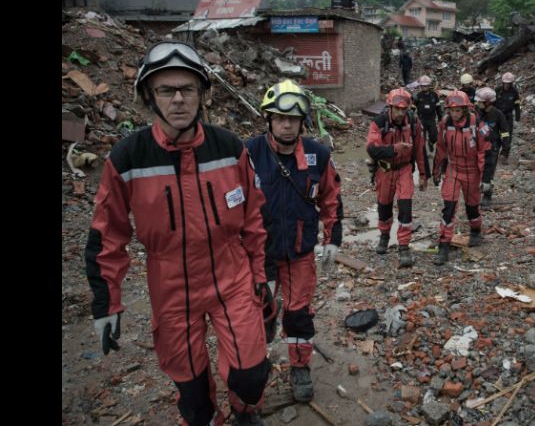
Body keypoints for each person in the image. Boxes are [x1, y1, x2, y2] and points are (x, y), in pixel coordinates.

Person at [85, 41, 272, 426]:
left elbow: (255, 218)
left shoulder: (229, 148)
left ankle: (244, 408)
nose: (178, 99)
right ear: (149, 97)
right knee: (191, 389)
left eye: (187, 89)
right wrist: (106, 303)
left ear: (202, 94)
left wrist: (261, 274)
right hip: (170, 284)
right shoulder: (127, 158)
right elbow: (107, 235)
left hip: (232, 274)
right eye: (166, 90)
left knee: (252, 372)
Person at [244, 80, 343, 403]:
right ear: (268, 119)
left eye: (293, 119)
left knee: (299, 313)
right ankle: (255, 363)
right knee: (258, 312)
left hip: (300, 252)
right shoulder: (248, 154)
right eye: (279, 118)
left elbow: (331, 198)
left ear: (303, 122)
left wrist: (333, 238)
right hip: (260, 256)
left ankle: (299, 366)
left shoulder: (318, 155)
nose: (286, 125)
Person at [366, 88, 430, 267]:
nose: (400, 113)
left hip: (404, 169)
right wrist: (394, 149)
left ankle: (403, 246)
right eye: (397, 109)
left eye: (403, 109)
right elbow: (372, 149)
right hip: (385, 170)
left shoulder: (414, 122)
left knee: (405, 206)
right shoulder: (379, 123)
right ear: (390, 107)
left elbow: (420, 148)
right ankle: (384, 236)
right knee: (384, 205)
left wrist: (423, 174)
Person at [432, 90, 493, 265]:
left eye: (458, 110)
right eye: (452, 110)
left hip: (472, 170)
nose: (454, 114)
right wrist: (436, 170)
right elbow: (440, 149)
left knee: (472, 206)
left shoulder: (477, 124)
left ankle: (476, 231)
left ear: (465, 110)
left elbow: (486, 151)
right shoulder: (445, 124)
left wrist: (485, 178)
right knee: (449, 207)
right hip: (454, 169)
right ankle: (443, 245)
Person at [474, 87, 511, 206]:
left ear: (487, 102)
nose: (477, 103)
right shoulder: (476, 113)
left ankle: (487, 196)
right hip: (477, 147)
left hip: (492, 148)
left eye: (480, 102)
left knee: (489, 174)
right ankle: (474, 195)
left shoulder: (498, 115)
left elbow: (505, 133)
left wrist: (505, 150)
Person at [413, 75, 442, 155]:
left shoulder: (434, 95)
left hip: (431, 119)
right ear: (420, 86)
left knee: (434, 136)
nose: (424, 87)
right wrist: (411, 117)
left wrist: (440, 118)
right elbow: (413, 107)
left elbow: (438, 107)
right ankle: (423, 154)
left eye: (425, 86)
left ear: (429, 85)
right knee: (422, 138)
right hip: (421, 120)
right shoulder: (418, 96)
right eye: (422, 86)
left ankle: (431, 143)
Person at [494, 72, 520, 164]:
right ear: (502, 82)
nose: (507, 85)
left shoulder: (514, 92)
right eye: (505, 83)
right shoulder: (497, 90)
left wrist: (517, 117)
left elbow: (517, 104)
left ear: (511, 83)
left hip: (508, 117)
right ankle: (494, 153)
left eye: (509, 84)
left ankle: (504, 154)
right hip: (497, 116)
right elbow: (492, 103)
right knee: (495, 135)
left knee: (507, 135)